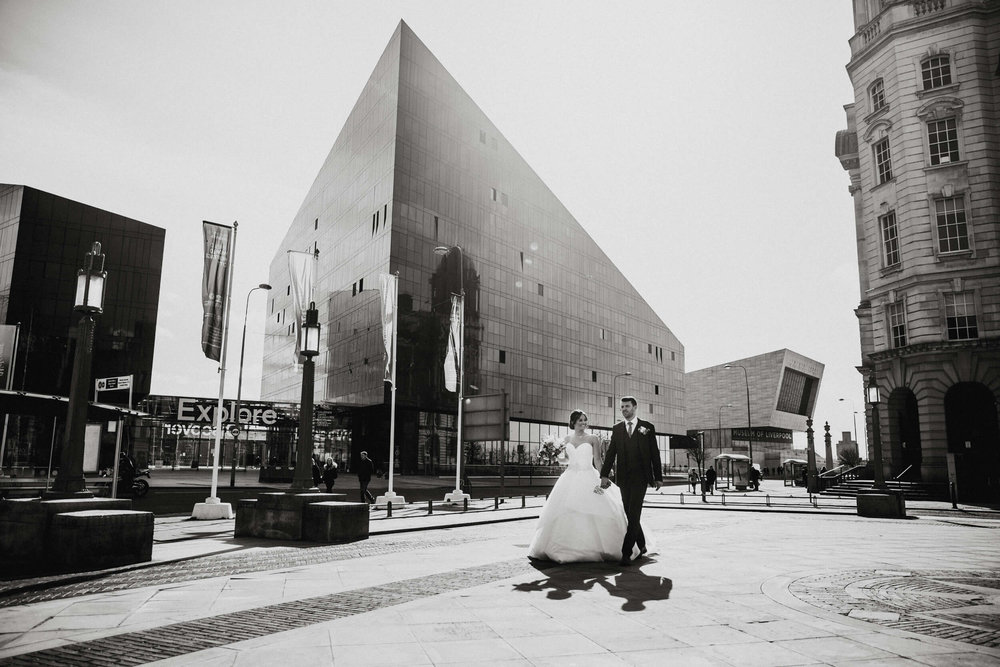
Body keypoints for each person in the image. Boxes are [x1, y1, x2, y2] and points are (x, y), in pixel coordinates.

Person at [528, 410, 652, 563]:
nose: (583, 423)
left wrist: (603, 477)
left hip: (588, 475)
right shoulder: (566, 439)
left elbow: (598, 461)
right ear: (573, 422)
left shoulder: (593, 438)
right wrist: (554, 456)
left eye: (585, 420)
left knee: (603, 508)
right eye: (580, 420)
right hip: (570, 477)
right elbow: (566, 460)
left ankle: (622, 545)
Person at [600, 396, 663, 566]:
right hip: (623, 479)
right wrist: (604, 475)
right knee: (629, 514)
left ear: (635, 407)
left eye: (627, 406)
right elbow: (611, 453)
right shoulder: (617, 428)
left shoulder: (647, 428)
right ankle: (641, 545)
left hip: (641, 478)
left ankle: (626, 553)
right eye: (622, 407)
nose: (624, 409)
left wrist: (658, 477)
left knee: (634, 513)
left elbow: (654, 454)